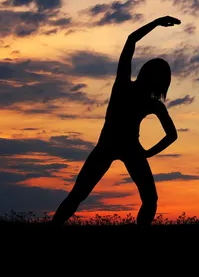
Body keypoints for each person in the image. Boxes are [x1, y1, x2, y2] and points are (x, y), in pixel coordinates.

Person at [51, 15, 182, 226]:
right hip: (123, 148)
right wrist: (147, 152)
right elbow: (172, 135)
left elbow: (131, 40)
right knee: (148, 199)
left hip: (112, 146)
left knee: (78, 195)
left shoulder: (126, 87)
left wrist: (156, 22)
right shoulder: (145, 99)